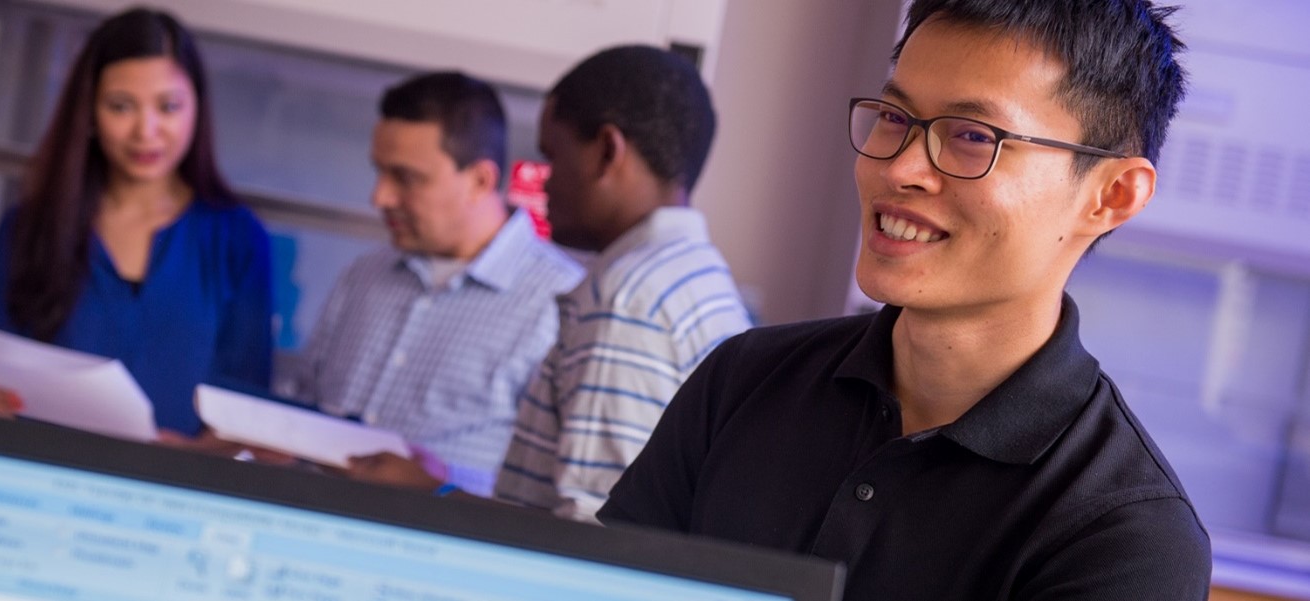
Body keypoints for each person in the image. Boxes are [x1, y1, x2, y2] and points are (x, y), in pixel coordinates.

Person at [598, 1, 1210, 598]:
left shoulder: (1127, 537)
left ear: (1111, 195)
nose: (900, 169)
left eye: (973, 136)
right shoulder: (743, 379)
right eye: (894, 118)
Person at [347, 46, 753, 522]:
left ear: (606, 152)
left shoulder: (625, 299)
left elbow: (595, 537)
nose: (544, 183)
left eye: (552, 156)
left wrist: (433, 493)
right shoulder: (695, 276)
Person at [0, 8, 272, 443]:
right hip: (41, 484)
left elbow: (247, 418)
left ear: (197, 108)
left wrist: (194, 452)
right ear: (91, 113)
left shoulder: (238, 241)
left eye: (168, 106)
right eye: (121, 107)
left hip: (178, 496)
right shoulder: (28, 228)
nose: (146, 131)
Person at [286, 71, 583, 495]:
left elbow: (550, 496)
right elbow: (304, 407)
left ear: (479, 181)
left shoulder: (562, 305)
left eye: (405, 178)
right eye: (380, 173)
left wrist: (437, 488)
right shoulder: (363, 276)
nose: (380, 197)